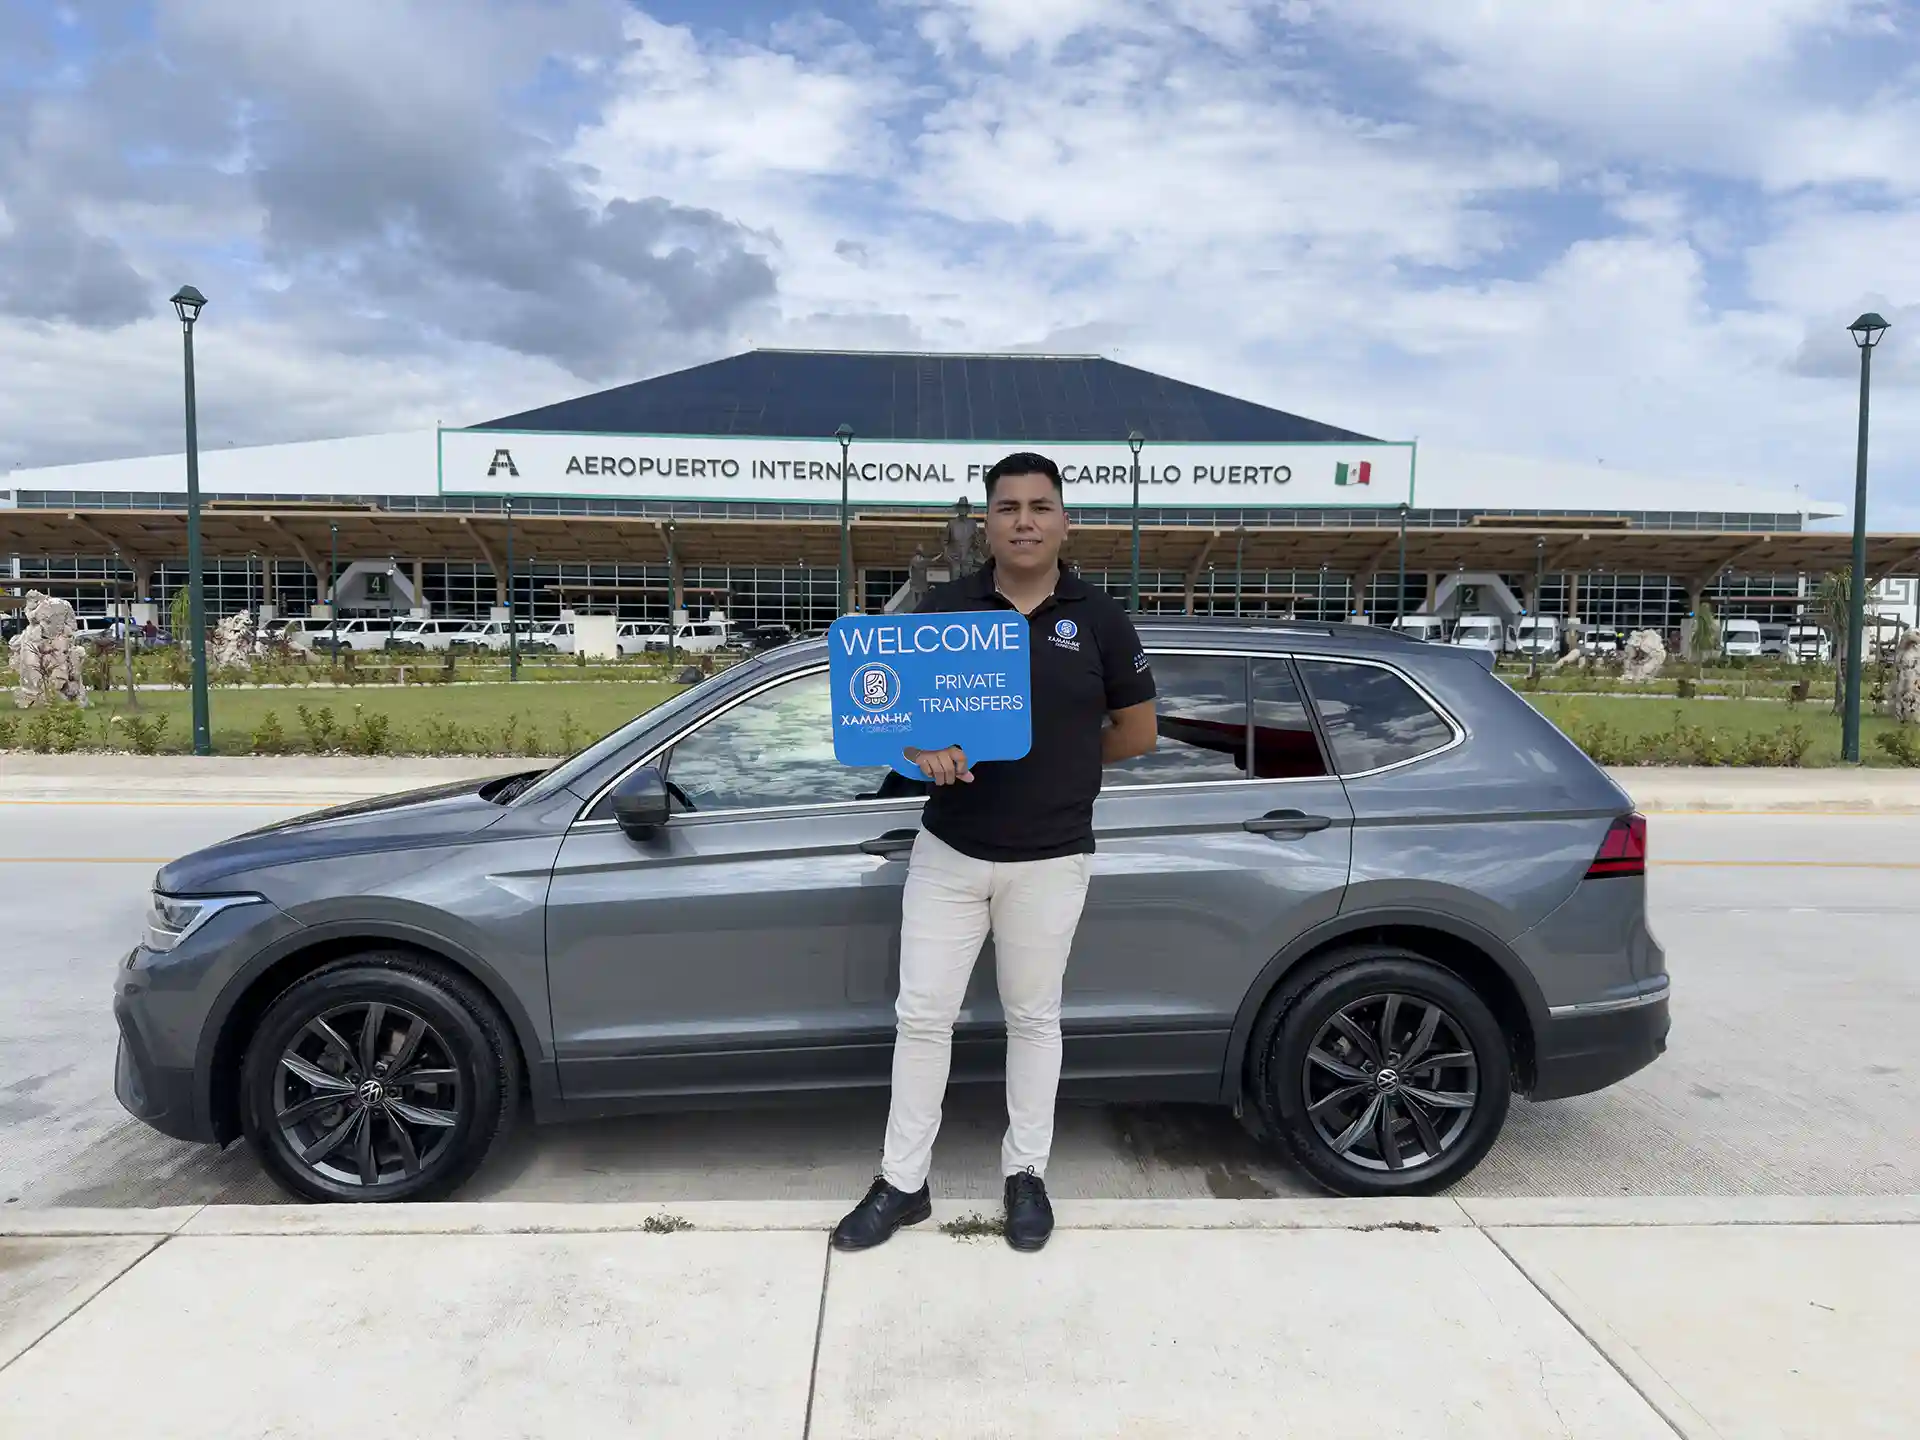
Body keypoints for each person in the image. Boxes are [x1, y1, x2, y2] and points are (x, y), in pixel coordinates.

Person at [832, 452, 1159, 1254]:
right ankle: (902, 1184)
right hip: (951, 852)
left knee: (1033, 1019)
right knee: (923, 1019)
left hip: (1050, 858)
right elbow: (894, 723)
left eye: (1039, 506)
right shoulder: (948, 608)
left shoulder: (1103, 619)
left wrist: (1062, 760)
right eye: (1007, 506)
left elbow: (1138, 732)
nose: (1023, 520)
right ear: (985, 522)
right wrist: (922, 751)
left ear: (1064, 521)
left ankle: (1026, 1177)